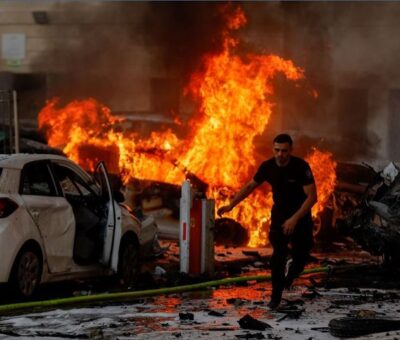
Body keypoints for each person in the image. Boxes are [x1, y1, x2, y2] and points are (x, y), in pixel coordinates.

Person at [217, 133, 317, 309]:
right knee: (278, 256)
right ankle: (275, 297)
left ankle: (292, 272)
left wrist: (294, 219)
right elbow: (250, 186)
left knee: (302, 255)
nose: (281, 155)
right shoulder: (268, 166)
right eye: (277, 150)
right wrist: (231, 205)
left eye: (284, 151)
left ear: (290, 150)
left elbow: (312, 197)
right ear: (273, 149)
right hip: (279, 216)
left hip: (300, 217)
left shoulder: (301, 167)